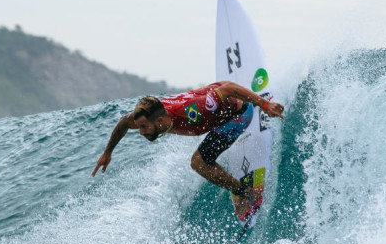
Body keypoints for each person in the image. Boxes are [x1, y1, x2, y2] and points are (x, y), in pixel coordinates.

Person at [92, 81, 285, 216]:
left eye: (144, 127)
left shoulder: (192, 113)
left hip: (237, 115)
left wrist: (265, 105)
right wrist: (108, 152)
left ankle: (246, 192)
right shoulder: (151, 117)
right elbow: (124, 122)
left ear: (159, 121)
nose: (141, 132)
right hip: (216, 100)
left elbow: (228, 89)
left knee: (198, 162)